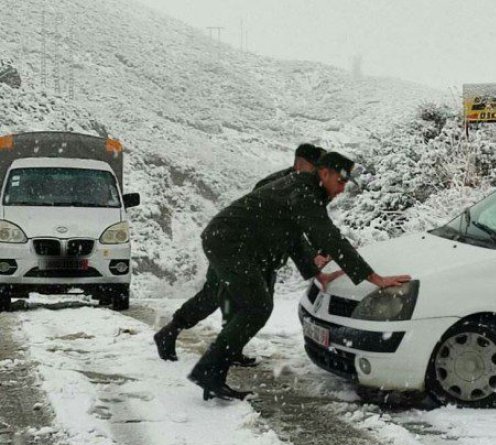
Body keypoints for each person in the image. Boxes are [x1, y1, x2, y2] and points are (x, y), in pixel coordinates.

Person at [187, 151, 411, 401]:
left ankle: (210, 372)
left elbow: (292, 235)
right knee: (256, 308)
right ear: (324, 173)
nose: (341, 189)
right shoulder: (303, 192)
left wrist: (317, 273)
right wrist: (375, 278)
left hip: (235, 243)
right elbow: (329, 236)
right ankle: (209, 371)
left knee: (254, 307)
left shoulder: (306, 190)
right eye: (340, 181)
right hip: (230, 242)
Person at [153, 143, 327, 366]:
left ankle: (229, 347)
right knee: (217, 296)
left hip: (260, 256)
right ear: (303, 165)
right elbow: (290, 232)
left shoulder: (303, 188)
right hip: (235, 249)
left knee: (251, 306)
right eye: (319, 169)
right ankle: (171, 332)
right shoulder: (277, 186)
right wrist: (311, 258)